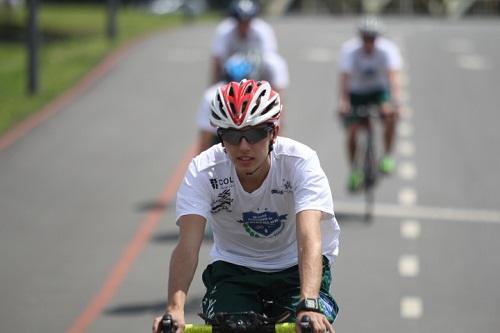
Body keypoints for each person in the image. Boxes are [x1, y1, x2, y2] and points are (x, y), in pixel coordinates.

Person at [153, 80, 340, 333]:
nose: (243, 146)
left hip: (295, 267)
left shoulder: (299, 162)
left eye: (254, 134)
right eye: (231, 135)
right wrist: (174, 309)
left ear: (273, 133)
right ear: (220, 137)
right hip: (235, 269)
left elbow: (309, 236)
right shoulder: (203, 170)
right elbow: (187, 246)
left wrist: (309, 303)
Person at [337, 16, 403, 192]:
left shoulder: (388, 50)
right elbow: (344, 79)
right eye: (366, 38)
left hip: (378, 91)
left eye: (372, 38)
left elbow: (393, 78)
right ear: (360, 38)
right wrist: (343, 103)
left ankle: (387, 156)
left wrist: (395, 103)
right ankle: (354, 170)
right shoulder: (350, 50)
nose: (369, 42)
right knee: (352, 130)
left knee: (390, 117)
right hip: (356, 92)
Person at [197, 51, 289, 153]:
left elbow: (205, 136)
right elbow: (278, 128)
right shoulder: (265, 96)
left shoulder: (211, 94)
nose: (243, 147)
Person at [210, 0, 278, 84]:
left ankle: (276, 94)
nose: (244, 24)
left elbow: (269, 54)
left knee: (275, 63)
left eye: (247, 21)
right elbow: (217, 58)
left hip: (257, 64)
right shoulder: (224, 31)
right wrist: (213, 84)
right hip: (231, 69)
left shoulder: (263, 30)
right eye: (240, 21)